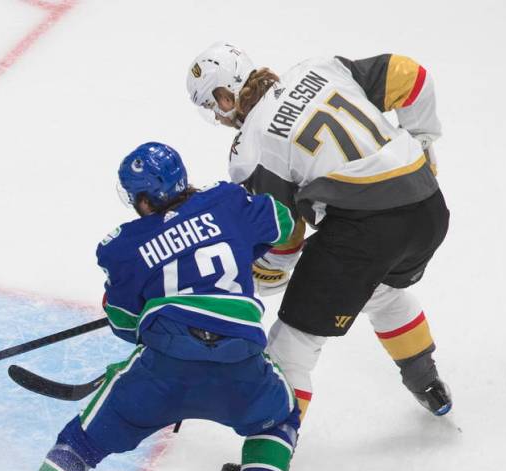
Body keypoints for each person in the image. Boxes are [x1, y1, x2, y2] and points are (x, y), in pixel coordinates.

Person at [0, 142, 307, 471]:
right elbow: (288, 226)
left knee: (79, 445)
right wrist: (240, 248)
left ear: (144, 199)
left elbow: (125, 325)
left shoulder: (121, 247)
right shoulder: (230, 201)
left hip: (163, 368)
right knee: (278, 419)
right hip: (239, 359)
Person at [186, 44, 452, 421]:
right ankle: (427, 380)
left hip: (366, 234)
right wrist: (422, 139)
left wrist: (258, 276)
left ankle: (265, 467)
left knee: (288, 346)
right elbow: (412, 75)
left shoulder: (251, 149)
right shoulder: (320, 68)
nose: (218, 116)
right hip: (428, 210)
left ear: (225, 97)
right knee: (380, 290)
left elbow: (285, 241)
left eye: (214, 106)